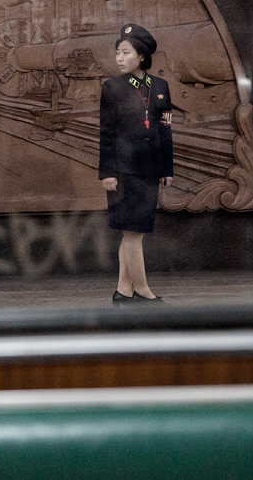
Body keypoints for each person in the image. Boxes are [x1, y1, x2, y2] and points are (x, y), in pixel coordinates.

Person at [98, 23, 174, 303]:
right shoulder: (113, 88)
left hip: (151, 169)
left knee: (135, 233)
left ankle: (123, 291)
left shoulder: (161, 88)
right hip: (123, 170)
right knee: (133, 233)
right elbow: (106, 133)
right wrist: (107, 172)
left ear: (141, 56)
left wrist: (168, 168)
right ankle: (143, 291)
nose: (119, 57)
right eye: (117, 52)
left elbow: (165, 129)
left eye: (125, 52)